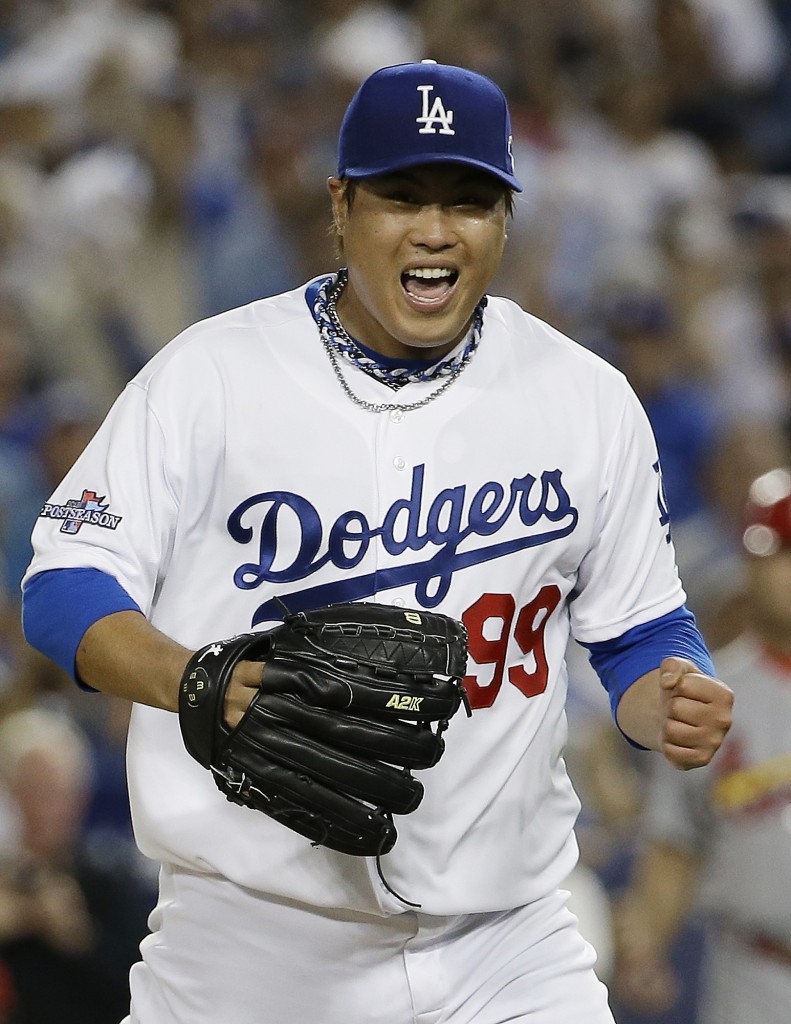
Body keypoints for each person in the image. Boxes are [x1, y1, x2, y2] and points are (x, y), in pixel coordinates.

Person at [20, 61, 733, 1024]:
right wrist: (194, 679)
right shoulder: (212, 377)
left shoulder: (583, 397)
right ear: (341, 204)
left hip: (507, 942)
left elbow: (640, 635)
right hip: (253, 945)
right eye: (402, 195)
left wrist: (670, 697)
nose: (435, 229)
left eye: (469, 200)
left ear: (505, 219)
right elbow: (63, 586)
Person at [612, 466, 791, 1024]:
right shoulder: (708, 698)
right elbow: (674, 845)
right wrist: (644, 944)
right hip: (753, 976)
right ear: (748, 566)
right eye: (779, 553)